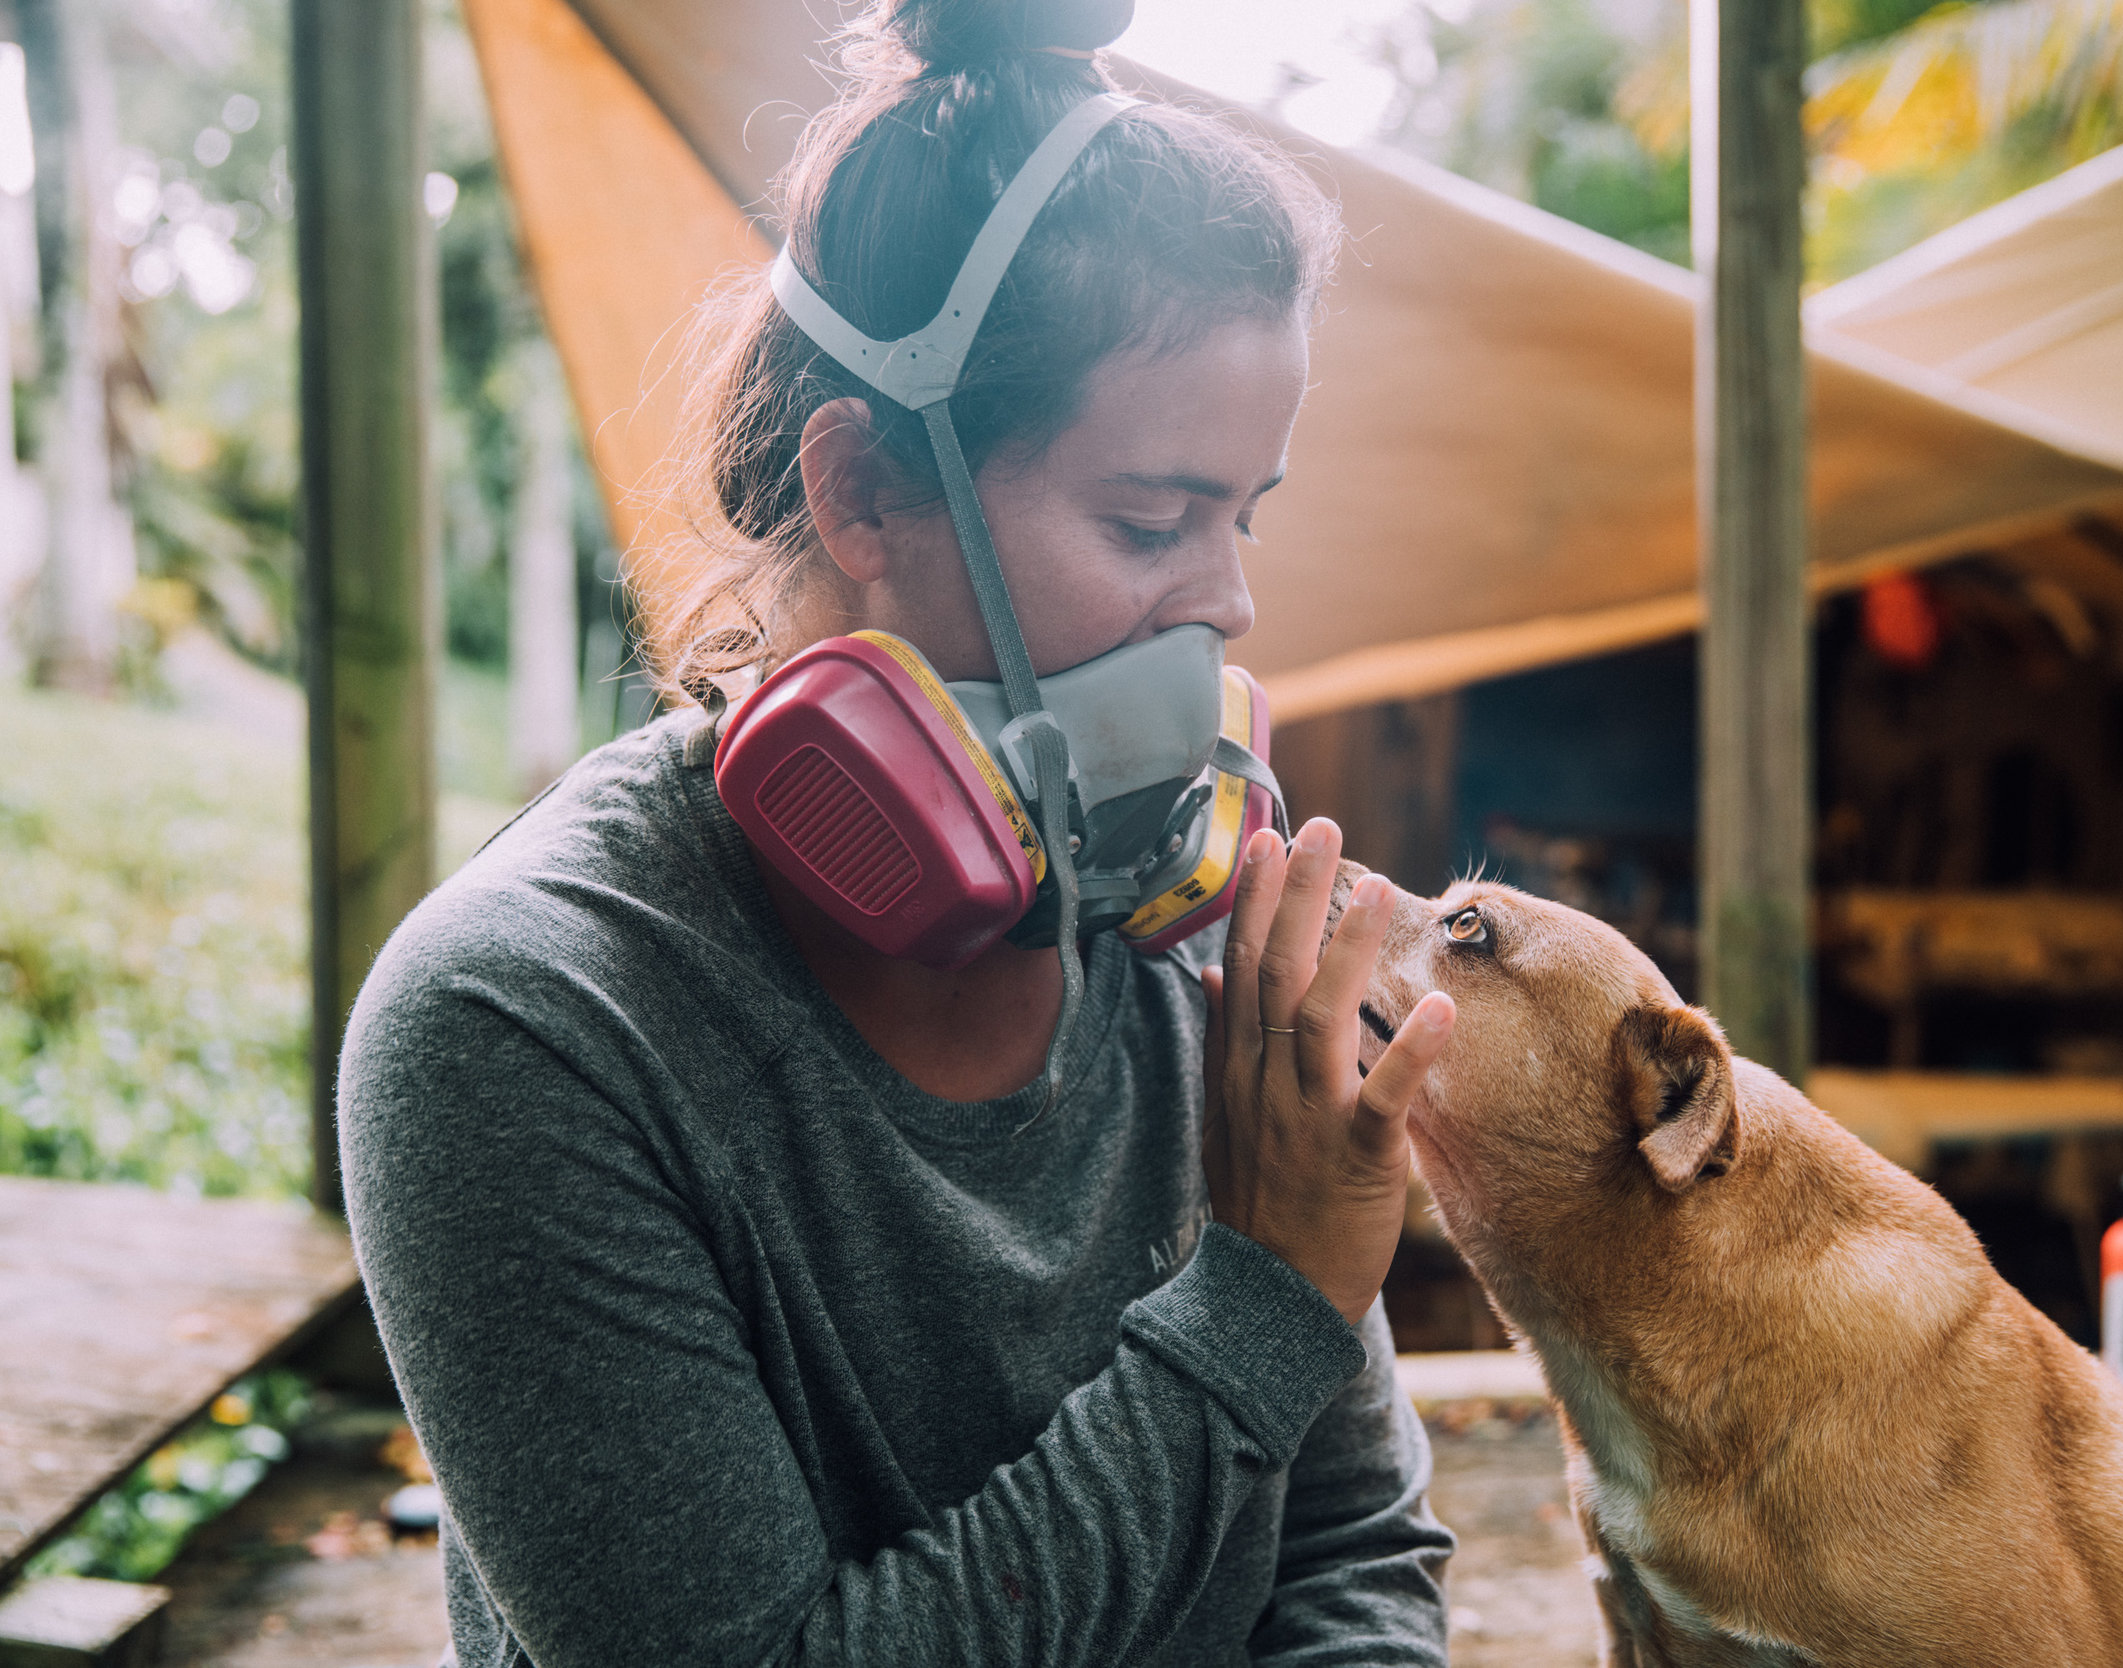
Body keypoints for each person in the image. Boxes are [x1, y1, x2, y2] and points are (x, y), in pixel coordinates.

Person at [338, 1, 1461, 1663]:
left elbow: (1354, 1544)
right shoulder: (518, 1024)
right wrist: (1266, 1300)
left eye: (1242, 518)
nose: (1227, 604)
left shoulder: (1177, 928)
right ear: (860, 488)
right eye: (1153, 519)